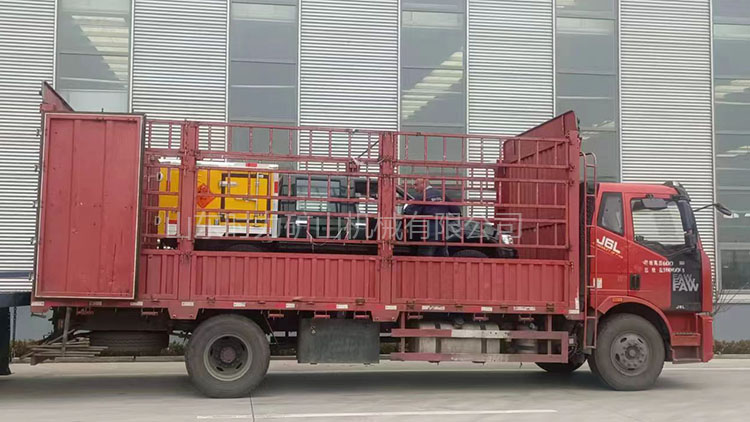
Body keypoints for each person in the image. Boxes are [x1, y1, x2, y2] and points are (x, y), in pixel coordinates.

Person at [403, 178, 461, 256]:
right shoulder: (441, 194)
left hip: (428, 233)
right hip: (442, 234)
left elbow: (410, 212)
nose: (415, 188)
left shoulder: (422, 196)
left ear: (423, 184)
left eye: (416, 185)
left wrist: (407, 205)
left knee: (425, 258)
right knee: (440, 258)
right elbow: (456, 210)